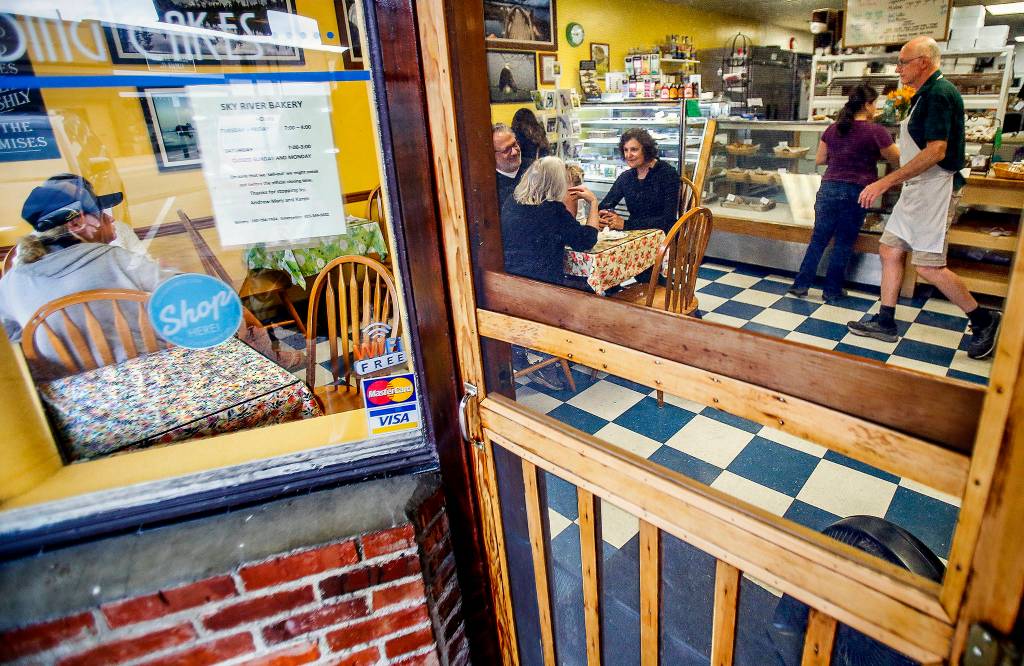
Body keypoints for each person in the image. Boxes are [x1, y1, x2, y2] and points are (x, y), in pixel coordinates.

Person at [848, 36, 1001, 359]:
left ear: (924, 62)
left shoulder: (940, 94)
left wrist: (886, 182)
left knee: (930, 266)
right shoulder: (923, 94)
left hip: (936, 187)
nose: (898, 68)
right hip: (918, 188)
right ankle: (886, 321)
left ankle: (984, 320)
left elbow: (936, 151)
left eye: (904, 62)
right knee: (890, 248)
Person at [0, 175, 164, 378]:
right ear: (77, 223)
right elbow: (184, 294)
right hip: (147, 379)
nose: (110, 218)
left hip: (72, 398)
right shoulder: (117, 259)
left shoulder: (10, 284)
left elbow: (12, 345)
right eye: (101, 214)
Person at [788, 85, 900, 303]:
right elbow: (896, 159)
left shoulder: (833, 128)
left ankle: (800, 285)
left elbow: (820, 159)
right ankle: (831, 291)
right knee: (843, 242)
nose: (875, 108)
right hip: (857, 191)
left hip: (828, 188)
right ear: (867, 105)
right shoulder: (876, 131)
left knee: (818, 239)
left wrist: (842, 158)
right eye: (874, 103)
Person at [501, 156, 601, 390]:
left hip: (509, 286)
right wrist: (593, 204)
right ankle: (549, 358)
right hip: (542, 293)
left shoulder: (511, 202)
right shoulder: (551, 210)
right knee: (588, 289)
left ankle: (520, 350)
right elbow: (585, 240)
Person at [598, 128, 680, 234]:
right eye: (625, 150)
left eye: (634, 149)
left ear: (646, 150)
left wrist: (625, 224)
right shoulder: (626, 177)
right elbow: (605, 205)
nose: (628, 155)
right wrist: (604, 216)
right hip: (634, 235)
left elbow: (668, 220)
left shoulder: (667, 174)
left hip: (663, 238)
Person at [493, 123, 528, 210]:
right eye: (506, 150)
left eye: (514, 145)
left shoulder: (535, 168)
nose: (514, 152)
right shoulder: (491, 185)